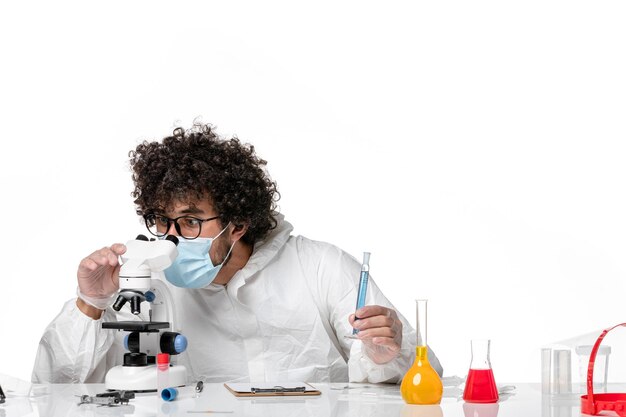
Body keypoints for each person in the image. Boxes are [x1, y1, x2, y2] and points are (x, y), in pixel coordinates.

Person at [32, 123, 442, 384]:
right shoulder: (146, 280)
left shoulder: (320, 267)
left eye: (191, 221)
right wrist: (92, 303)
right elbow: (53, 389)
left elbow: (422, 378)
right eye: (161, 219)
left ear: (239, 223)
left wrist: (388, 353)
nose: (170, 238)